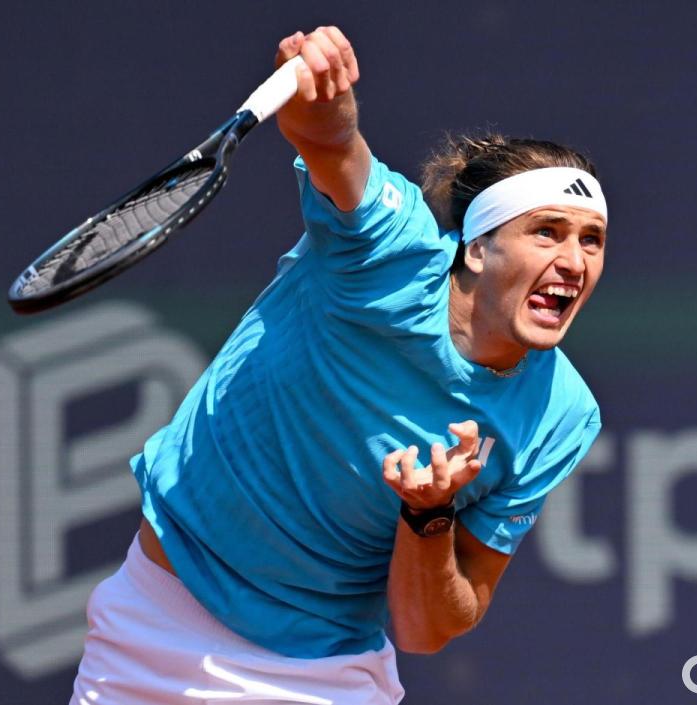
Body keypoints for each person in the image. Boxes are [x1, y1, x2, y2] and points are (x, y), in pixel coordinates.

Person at [70, 25, 607, 705]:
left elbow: (426, 627)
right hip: (157, 628)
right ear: (476, 248)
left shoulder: (563, 415)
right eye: (547, 232)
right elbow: (331, 142)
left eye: (592, 240)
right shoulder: (389, 249)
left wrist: (429, 513)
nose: (574, 261)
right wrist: (322, 92)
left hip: (324, 676)